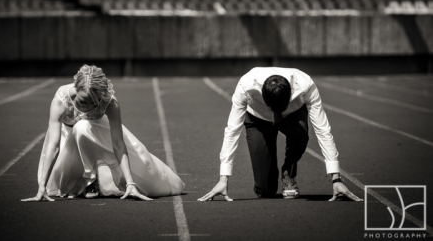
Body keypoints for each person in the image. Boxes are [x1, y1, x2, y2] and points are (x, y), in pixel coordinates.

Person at [22, 65, 185, 202]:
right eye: (81, 102)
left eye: (92, 103)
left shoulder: (110, 102)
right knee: (78, 131)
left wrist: (130, 183)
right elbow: (53, 145)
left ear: (100, 98)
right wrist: (41, 186)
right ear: (76, 89)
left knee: (147, 176)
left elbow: (118, 144)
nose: (86, 107)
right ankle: (89, 180)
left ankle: (99, 180)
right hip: (68, 138)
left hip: (100, 132)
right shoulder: (61, 99)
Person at [198, 67, 362, 202]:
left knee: (300, 133)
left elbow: (322, 129)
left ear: (291, 95)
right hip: (257, 118)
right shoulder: (245, 86)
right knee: (265, 191)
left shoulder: (305, 85)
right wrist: (223, 179)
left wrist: (336, 178)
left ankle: (288, 172)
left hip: (292, 115)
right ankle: (267, 181)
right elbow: (232, 130)